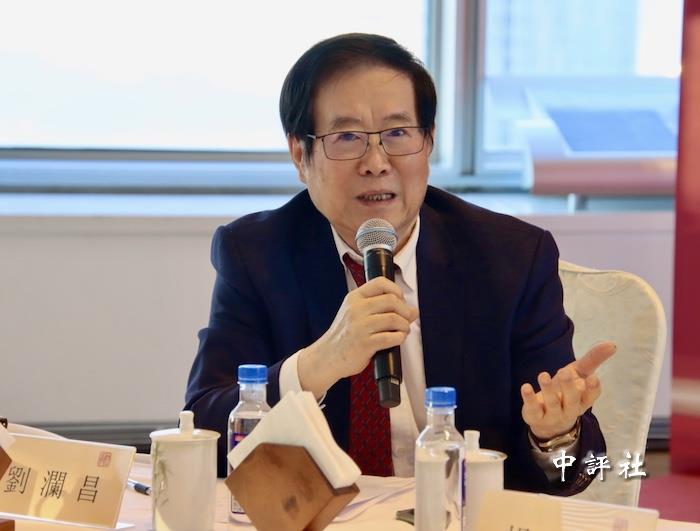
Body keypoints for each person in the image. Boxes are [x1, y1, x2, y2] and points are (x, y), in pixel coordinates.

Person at [185, 33, 614, 495]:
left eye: (397, 134)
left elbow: (578, 469)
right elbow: (204, 434)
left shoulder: (511, 257)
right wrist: (315, 366)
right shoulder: (256, 254)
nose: (376, 162)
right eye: (347, 137)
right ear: (299, 155)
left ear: (428, 142)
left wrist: (554, 435)